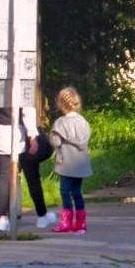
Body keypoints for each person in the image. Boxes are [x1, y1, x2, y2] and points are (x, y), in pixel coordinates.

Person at [0, 81, 56, 231]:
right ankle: (42, 216)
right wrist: (33, 137)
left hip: (0, 134)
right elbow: (27, 112)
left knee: (4, 175)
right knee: (32, 176)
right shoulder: (22, 83)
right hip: (19, 135)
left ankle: (2, 218)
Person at [49, 86, 93, 234]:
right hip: (80, 164)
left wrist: (52, 136)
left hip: (66, 163)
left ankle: (66, 222)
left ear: (61, 103)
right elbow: (85, 139)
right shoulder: (83, 121)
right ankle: (81, 223)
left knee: (65, 191)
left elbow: (56, 142)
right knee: (77, 192)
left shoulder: (60, 123)